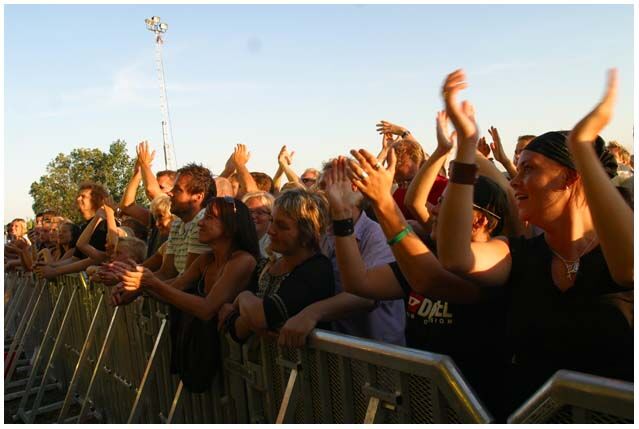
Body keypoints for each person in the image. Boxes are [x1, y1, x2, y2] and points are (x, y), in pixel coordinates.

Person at [434, 69, 632, 413]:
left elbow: (629, 270)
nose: (514, 181)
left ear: (569, 178)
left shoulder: (618, 249)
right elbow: (454, 257)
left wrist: (582, 149)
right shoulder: (519, 255)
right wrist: (466, 148)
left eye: (529, 169)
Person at [111, 197, 260, 393]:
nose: (200, 223)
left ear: (231, 226)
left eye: (209, 218)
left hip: (242, 373)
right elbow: (175, 288)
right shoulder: (206, 259)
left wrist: (149, 283)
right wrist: (134, 289)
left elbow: (207, 308)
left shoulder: (243, 261)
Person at [277, 159, 406, 348]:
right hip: (336, 348)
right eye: (321, 186)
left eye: (328, 185)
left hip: (377, 352)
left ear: (355, 188)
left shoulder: (376, 236)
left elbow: (367, 296)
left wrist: (312, 313)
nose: (320, 193)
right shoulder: (322, 234)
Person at [218, 188, 335, 344]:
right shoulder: (265, 266)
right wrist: (250, 316)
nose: (271, 230)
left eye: (282, 226)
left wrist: (243, 298)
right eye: (272, 221)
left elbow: (260, 317)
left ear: (307, 233)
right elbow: (238, 330)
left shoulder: (316, 269)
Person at [241, 191, 275, 258]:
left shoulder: (275, 243)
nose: (253, 216)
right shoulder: (235, 239)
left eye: (260, 212)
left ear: (271, 216)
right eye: (249, 211)